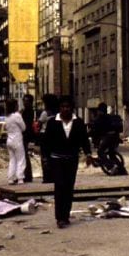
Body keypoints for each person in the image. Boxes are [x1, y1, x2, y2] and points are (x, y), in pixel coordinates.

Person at [38, 96, 93, 229]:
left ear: (72, 108)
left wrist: (88, 154)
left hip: (72, 159)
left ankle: (66, 215)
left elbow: (84, 140)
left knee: (69, 187)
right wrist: (45, 158)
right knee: (60, 186)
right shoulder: (52, 123)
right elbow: (46, 142)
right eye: (63, 107)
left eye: (68, 107)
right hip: (56, 159)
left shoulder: (78, 122)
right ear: (59, 108)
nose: (65, 109)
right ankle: (59, 217)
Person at [3, 100, 28, 185]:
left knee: (12, 160)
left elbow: (5, 128)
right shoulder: (17, 116)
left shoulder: (7, 116)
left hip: (9, 140)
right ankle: (20, 178)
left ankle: (10, 178)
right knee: (21, 159)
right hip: (17, 139)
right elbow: (24, 127)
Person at [36, 93, 58, 184]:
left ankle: (47, 177)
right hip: (55, 136)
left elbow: (39, 124)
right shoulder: (57, 113)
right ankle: (54, 175)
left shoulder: (45, 113)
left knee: (45, 157)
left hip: (44, 136)